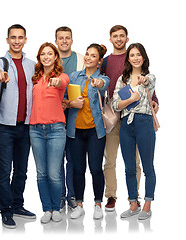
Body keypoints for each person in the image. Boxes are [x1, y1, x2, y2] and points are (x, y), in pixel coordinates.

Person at [101, 25, 159, 212]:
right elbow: (114, 98)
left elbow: (149, 83)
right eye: (115, 36)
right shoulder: (108, 63)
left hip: (139, 122)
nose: (118, 39)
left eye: (122, 36)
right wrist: (129, 99)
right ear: (110, 39)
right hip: (115, 118)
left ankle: (139, 200)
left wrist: (151, 96)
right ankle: (112, 196)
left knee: (137, 163)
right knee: (111, 160)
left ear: (126, 38)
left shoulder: (147, 75)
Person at [0, 24, 36, 229]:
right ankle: (6, 210)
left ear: (25, 40)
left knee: (21, 170)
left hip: (25, 126)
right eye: (13, 37)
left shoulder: (31, 64)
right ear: (7, 40)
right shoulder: (1, 62)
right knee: (4, 170)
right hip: (5, 127)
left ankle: (18, 205)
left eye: (20, 37)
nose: (17, 41)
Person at [112, 43, 156, 220]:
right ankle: (133, 203)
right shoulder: (122, 80)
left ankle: (147, 204)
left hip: (144, 123)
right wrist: (131, 98)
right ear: (128, 59)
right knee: (129, 167)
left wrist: (142, 81)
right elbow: (115, 104)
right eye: (132, 55)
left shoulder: (150, 77)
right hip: (126, 126)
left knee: (148, 167)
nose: (136, 58)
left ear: (143, 57)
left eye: (139, 55)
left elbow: (148, 82)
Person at [66, 44, 110, 220]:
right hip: (75, 131)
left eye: (93, 56)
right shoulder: (74, 76)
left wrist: (98, 83)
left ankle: (98, 203)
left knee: (95, 168)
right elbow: (64, 100)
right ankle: (79, 205)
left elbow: (103, 86)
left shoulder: (103, 79)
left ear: (99, 61)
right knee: (78, 169)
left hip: (95, 132)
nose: (88, 58)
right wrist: (70, 103)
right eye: (87, 54)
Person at [29, 42, 69, 224]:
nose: (46, 57)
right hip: (35, 129)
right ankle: (46, 208)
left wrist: (56, 81)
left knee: (54, 173)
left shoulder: (62, 76)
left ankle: (56, 208)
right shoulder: (35, 78)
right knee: (41, 173)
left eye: (49, 54)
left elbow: (63, 83)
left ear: (55, 57)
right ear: (39, 58)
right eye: (42, 54)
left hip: (56, 130)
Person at [55, 26, 85, 212]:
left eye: (67, 38)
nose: (64, 41)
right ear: (56, 41)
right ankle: (59, 196)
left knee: (73, 158)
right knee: (57, 158)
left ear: (72, 40)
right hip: (55, 115)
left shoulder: (81, 59)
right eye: (61, 38)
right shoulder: (49, 58)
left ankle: (72, 196)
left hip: (75, 114)